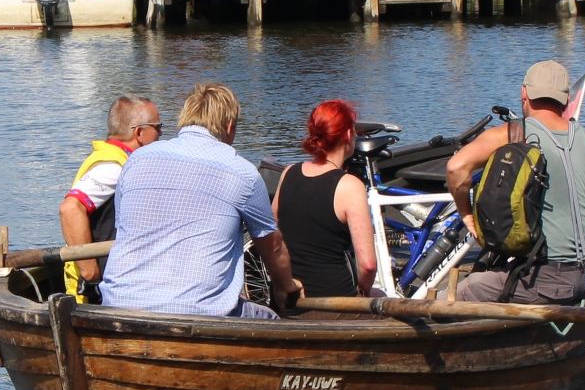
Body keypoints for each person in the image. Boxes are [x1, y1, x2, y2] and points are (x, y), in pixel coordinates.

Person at [100, 83, 301, 319]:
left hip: (118, 307)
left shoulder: (136, 160)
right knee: (273, 320)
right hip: (199, 315)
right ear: (229, 126)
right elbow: (273, 246)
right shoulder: (242, 173)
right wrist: (285, 287)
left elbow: (123, 228)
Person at [444, 60, 585, 304]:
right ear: (566, 99)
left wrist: (467, 215)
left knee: (467, 289)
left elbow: (456, 168)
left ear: (524, 93)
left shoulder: (514, 133)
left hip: (552, 280)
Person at [58, 95, 161, 301]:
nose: (161, 134)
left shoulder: (121, 160)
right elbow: (70, 209)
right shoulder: (112, 167)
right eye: (158, 127)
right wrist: (89, 271)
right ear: (139, 132)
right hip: (93, 293)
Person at [272, 99, 378, 299]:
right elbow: (368, 265)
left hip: (291, 301)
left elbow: (272, 238)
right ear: (348, 135)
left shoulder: (288, 173)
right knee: (387, 301)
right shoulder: (350, 186)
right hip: (335, 305)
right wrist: (363, 291)